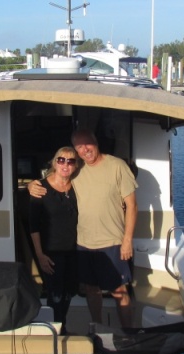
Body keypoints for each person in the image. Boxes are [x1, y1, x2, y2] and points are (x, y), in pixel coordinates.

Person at [29, 129, 138, 328]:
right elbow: (53, 181)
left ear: (96, 142)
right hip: (83, 243)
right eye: (79, 146)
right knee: (91, 289)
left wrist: (127, 240)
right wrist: (31, 185)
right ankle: (97, 327)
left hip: (112, 241)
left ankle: (128, 331)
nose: (85, 149)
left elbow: (132, 205)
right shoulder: (76, 169)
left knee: (119, 291)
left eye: (88, 143)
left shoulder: (117, 166)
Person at [28, 147, 79, 330]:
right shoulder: (40, 188)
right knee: (55, 295)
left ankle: (61, 326)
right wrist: (40, 255)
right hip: (51, 252)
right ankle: (55, 332)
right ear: (54, 162)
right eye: (61, 160)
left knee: (68, 293)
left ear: (76, 166)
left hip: (74, 251)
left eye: (71, 161)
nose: (66, 164)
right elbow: (33, 226)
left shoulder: (78, 187)